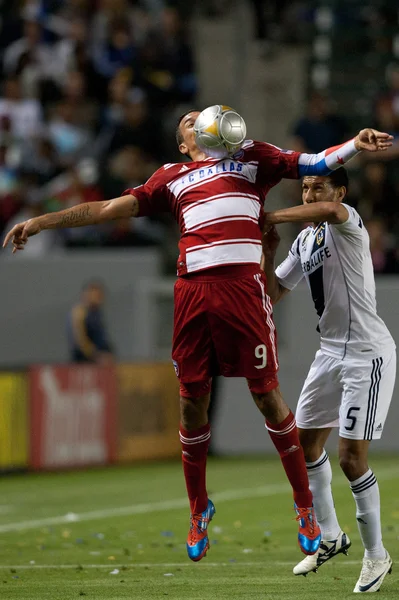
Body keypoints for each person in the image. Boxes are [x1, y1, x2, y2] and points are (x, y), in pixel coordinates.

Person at [3, 108, 393, 563]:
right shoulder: (171, 177)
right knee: (191, 401)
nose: (201, 117)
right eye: (190, 120)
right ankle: (197, 509)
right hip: (192, 292)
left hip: (242, 292)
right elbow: (107, 209)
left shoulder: (251, 156)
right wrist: (41, 221)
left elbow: (312, 163)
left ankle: (305, 506)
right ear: (185, 144)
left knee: (266, 396)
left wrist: (353, 145)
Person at [261, 168, 395, 593]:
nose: (310, 192)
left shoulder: (347, 221)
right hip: (329, 352)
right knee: (305, 445)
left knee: (351, 459)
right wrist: (269, 248)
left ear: (340, 190)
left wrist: (274, 215)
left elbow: (329, 210)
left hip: (366, 354)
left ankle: (377, 556)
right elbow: (273, 291)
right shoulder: (305, 241)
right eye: (304, 186)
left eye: (317, 186)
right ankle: (332, 536)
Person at [67, 281, 114, 364]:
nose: (99, 298)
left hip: (99, 356)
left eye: (100, 295)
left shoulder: (97, 313)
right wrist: (96, 355)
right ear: (87, 295)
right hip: (84, 359)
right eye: (96, 295)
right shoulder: (79, 313)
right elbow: (80, 340)